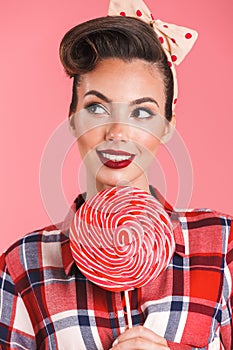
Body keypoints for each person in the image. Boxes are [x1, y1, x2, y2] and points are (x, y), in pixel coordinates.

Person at [0, 0, 232, 349]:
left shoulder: (223, 247)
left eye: (142, 112)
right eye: (96, 107)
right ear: (73, 118)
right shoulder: (23, 266)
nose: (118, 132)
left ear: (168, 126)